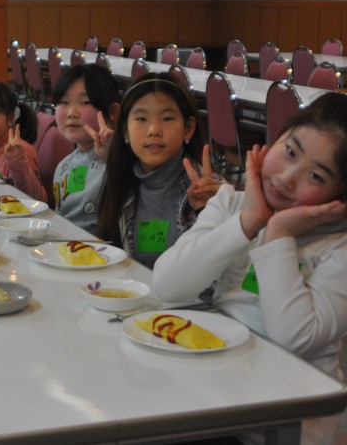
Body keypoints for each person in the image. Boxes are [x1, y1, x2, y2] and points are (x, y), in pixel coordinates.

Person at [153, 93, 347, 443]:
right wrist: (247, 222)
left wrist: (278, 234)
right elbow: (167, 284)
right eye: (289, 151)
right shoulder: (233, 203)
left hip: (286, 422)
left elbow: (294, 339)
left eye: (316, 176)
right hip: (217, 396)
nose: (287, 178)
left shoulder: (338, 249)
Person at [95, 73, 221, 269]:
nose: (154, 129)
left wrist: (215, 213)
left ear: (188, 128)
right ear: (125, 131)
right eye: (141, 118)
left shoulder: (211, 192)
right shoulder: (121, 182)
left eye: (167, 118)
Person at [51, 64, 121, 232]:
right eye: (64, 102)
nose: (72, 113)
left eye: (85, 102)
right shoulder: (64, 165)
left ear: (112, 112)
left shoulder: (123, 160)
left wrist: (115, 157)